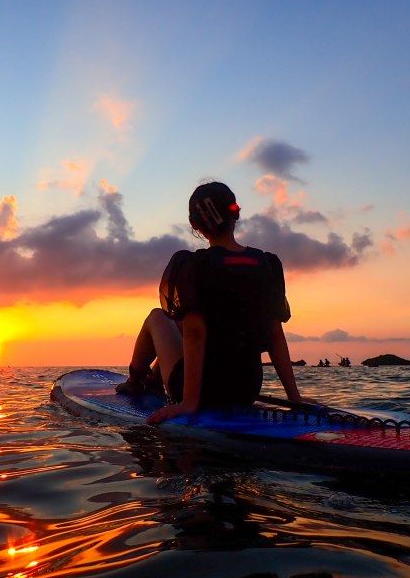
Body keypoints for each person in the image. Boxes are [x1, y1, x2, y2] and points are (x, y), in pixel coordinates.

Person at [115, 181, 308, 425]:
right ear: (235, 215)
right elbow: (275, 335)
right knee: (178, 323)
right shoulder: (266, 265)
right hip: (245, 388)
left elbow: (195, 333)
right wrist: (295, 400)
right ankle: (153, 380)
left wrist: (189, 403)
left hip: (204, 390)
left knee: (157, 317)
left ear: (195, 225)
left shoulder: (194, 266)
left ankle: (134, 381)